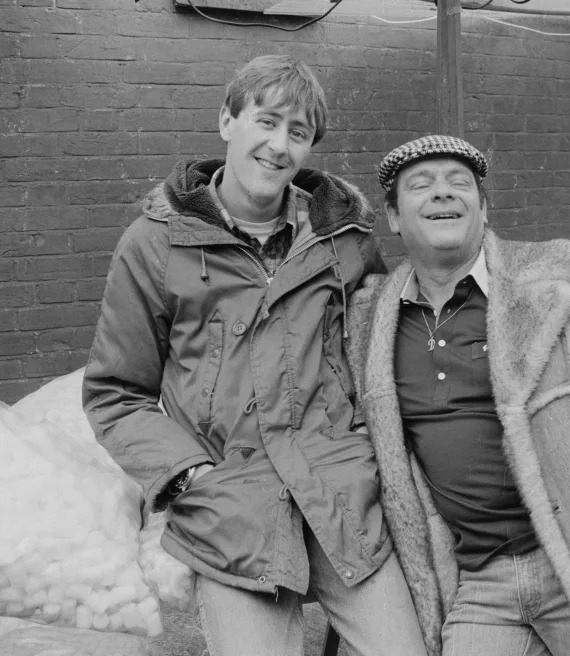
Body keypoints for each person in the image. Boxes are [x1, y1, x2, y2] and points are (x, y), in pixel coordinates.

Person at [82, 55, 427, 656]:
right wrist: (190, 476)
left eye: (298, 132)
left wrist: (369, 455)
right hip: (232, 510)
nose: (278, 145)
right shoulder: (156, 243)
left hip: (342, 494)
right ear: (227, 120)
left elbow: (380, 355)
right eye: (266, 122)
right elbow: (116, 394)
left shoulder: (345, 241)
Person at [341, 135, 570, 656]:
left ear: (484, 209)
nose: (443, 194)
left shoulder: (555, 283)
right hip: (478, 582)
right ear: (394, 219)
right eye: (421, 185)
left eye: (459, 183)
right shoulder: (371, 320)